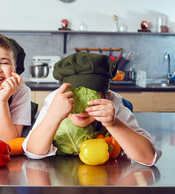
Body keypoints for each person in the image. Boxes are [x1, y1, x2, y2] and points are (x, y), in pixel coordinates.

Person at [23, 52, 161, 166]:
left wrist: (114, 123)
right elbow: (33, 151)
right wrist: (53, 116)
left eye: (91, 101)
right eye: (76, 100)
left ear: (107, 96)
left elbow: (149, 157)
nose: (81, 111)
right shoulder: (56, 100)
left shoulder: (114, 105)